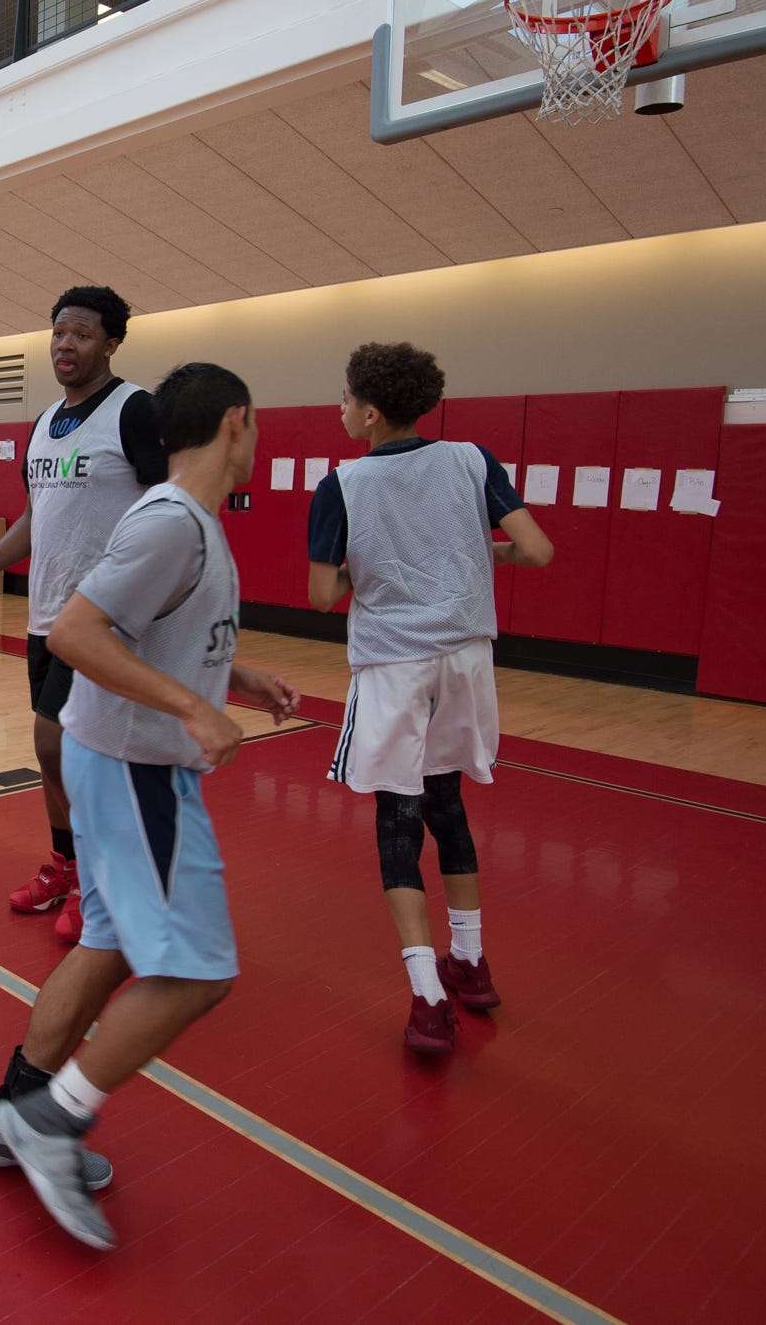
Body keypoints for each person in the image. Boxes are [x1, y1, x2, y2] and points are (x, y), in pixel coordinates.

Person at [0, 363, 300, 1250]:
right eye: (256, 427)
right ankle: (54, 1119)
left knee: (110, 947)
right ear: (237, 423)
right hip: (136, 769)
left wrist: (232, 676)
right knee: (198, 970)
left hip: (109, 757)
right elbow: (75, 633)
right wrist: (194, 707)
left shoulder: (180, 524)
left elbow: (158, 632)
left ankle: (11, 1111)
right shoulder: (171, 523)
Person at [306, 342, 553, 1056]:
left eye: (346, 397)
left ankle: (426, 999)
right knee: (448, 805)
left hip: (395, 665)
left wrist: (377, 569)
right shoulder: (473, 460)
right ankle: (470, 965)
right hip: (468, 662)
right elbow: (535, 550)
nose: (340, 408)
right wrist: (472, 554)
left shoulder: (342, 484)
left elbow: (323, 596)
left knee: (397, 821)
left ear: (372, 410)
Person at [0, 286, 166, 945]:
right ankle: (66, 867)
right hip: (45, 622)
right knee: (52, 757)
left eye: (82, 335)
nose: (65, 345)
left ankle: (98, 882)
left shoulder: (135, 412)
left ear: (112, 343)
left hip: (103, 622)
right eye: (58, 333)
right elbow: (39, 517)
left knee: (63, 747)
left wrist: (142, 593)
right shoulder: (44, 424)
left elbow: (169, 509)